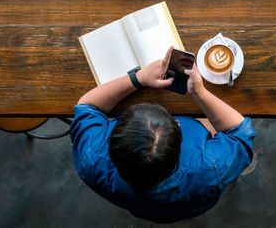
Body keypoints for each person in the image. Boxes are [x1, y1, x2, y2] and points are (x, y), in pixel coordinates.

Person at [70, 46, 257, 223]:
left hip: (139, 208)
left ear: (114, 138)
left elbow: (87, 106)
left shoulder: (92, 159)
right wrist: (199, 92)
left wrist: (139, 78)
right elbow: (240, 132)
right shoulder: (210, 168)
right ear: (178, 137)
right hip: (194, 203)